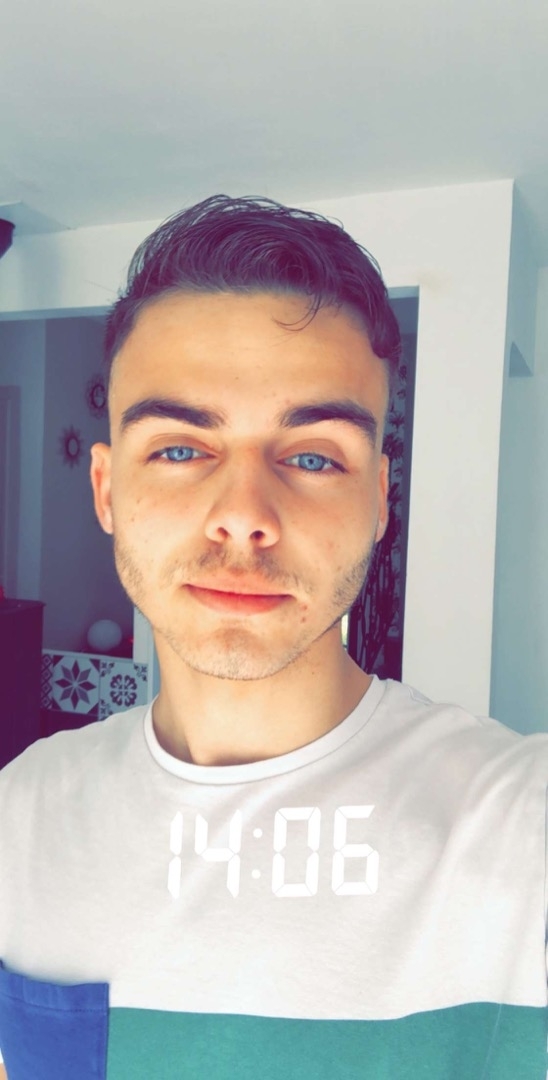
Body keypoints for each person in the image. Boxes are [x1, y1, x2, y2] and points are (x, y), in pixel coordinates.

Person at [0, 195, 546, 1080]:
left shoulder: (517, 830)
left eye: (314, 457)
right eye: (180, 449)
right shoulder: (20, 815)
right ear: (106, 491)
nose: (244, 515)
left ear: (379, 501)